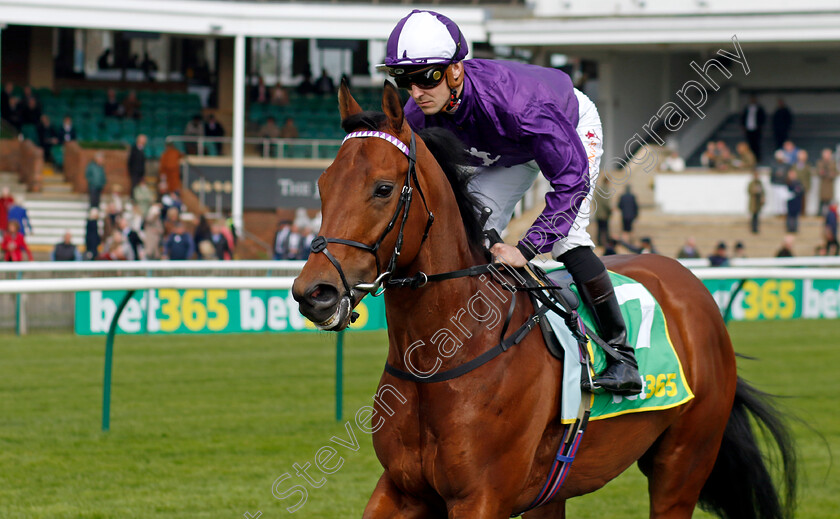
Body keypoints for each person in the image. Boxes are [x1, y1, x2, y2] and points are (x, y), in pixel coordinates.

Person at [383, 9, 640, 394]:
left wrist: (528, 248)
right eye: (405, 80)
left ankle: (622, 357)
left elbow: (570, 183)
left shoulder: (520, 105)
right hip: (506, 149)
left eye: (427, 77)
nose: (417, 91)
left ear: (455, 71)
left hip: (564, 123)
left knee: (567, 239)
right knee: (474, 230)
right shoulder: (417, 113)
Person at [741, 95, 766, 161]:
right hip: (748, 129)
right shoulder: (747, 108)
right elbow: (743, 118)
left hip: (756, 129)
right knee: (749, 144)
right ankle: (749, 159)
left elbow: (762, 118)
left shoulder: (759, 108)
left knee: (756, 144)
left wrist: (760, 126)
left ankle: (757, 158)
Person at [816, 148, 838, 216]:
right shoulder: (820, 162)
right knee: (822, 199)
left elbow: (836, 172)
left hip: (830, 184)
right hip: (823, 183)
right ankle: (819, 213)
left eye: (828, 154)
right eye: (826, 154)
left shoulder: (833, 162)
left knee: (829, 199)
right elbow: (818, 172)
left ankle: (829, 214)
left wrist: (831, 174)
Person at [792, 149, 812, 215]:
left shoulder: (807, 165)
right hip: (796, 185)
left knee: (803, 201)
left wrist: (808, 187)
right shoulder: (794, 165)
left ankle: (802, 213)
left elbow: (808, 177)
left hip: (804, 185)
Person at [593, 178, 612, 247]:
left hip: (598, 213)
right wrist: (610, 210)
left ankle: (599, 242)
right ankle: (605, 242)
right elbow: (606, 203)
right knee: (605, 229)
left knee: (599, 229)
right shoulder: (605, 190)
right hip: (604, 214)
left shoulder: (599, 190)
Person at [786, 169, 805, 233]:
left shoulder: (798, 182)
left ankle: (795, 228)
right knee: (790, 216)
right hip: (790, 202)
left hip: (796, 201)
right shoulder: (787, 182)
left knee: (796, 216)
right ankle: (789, 228)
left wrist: (796, 192)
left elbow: (801, 190)